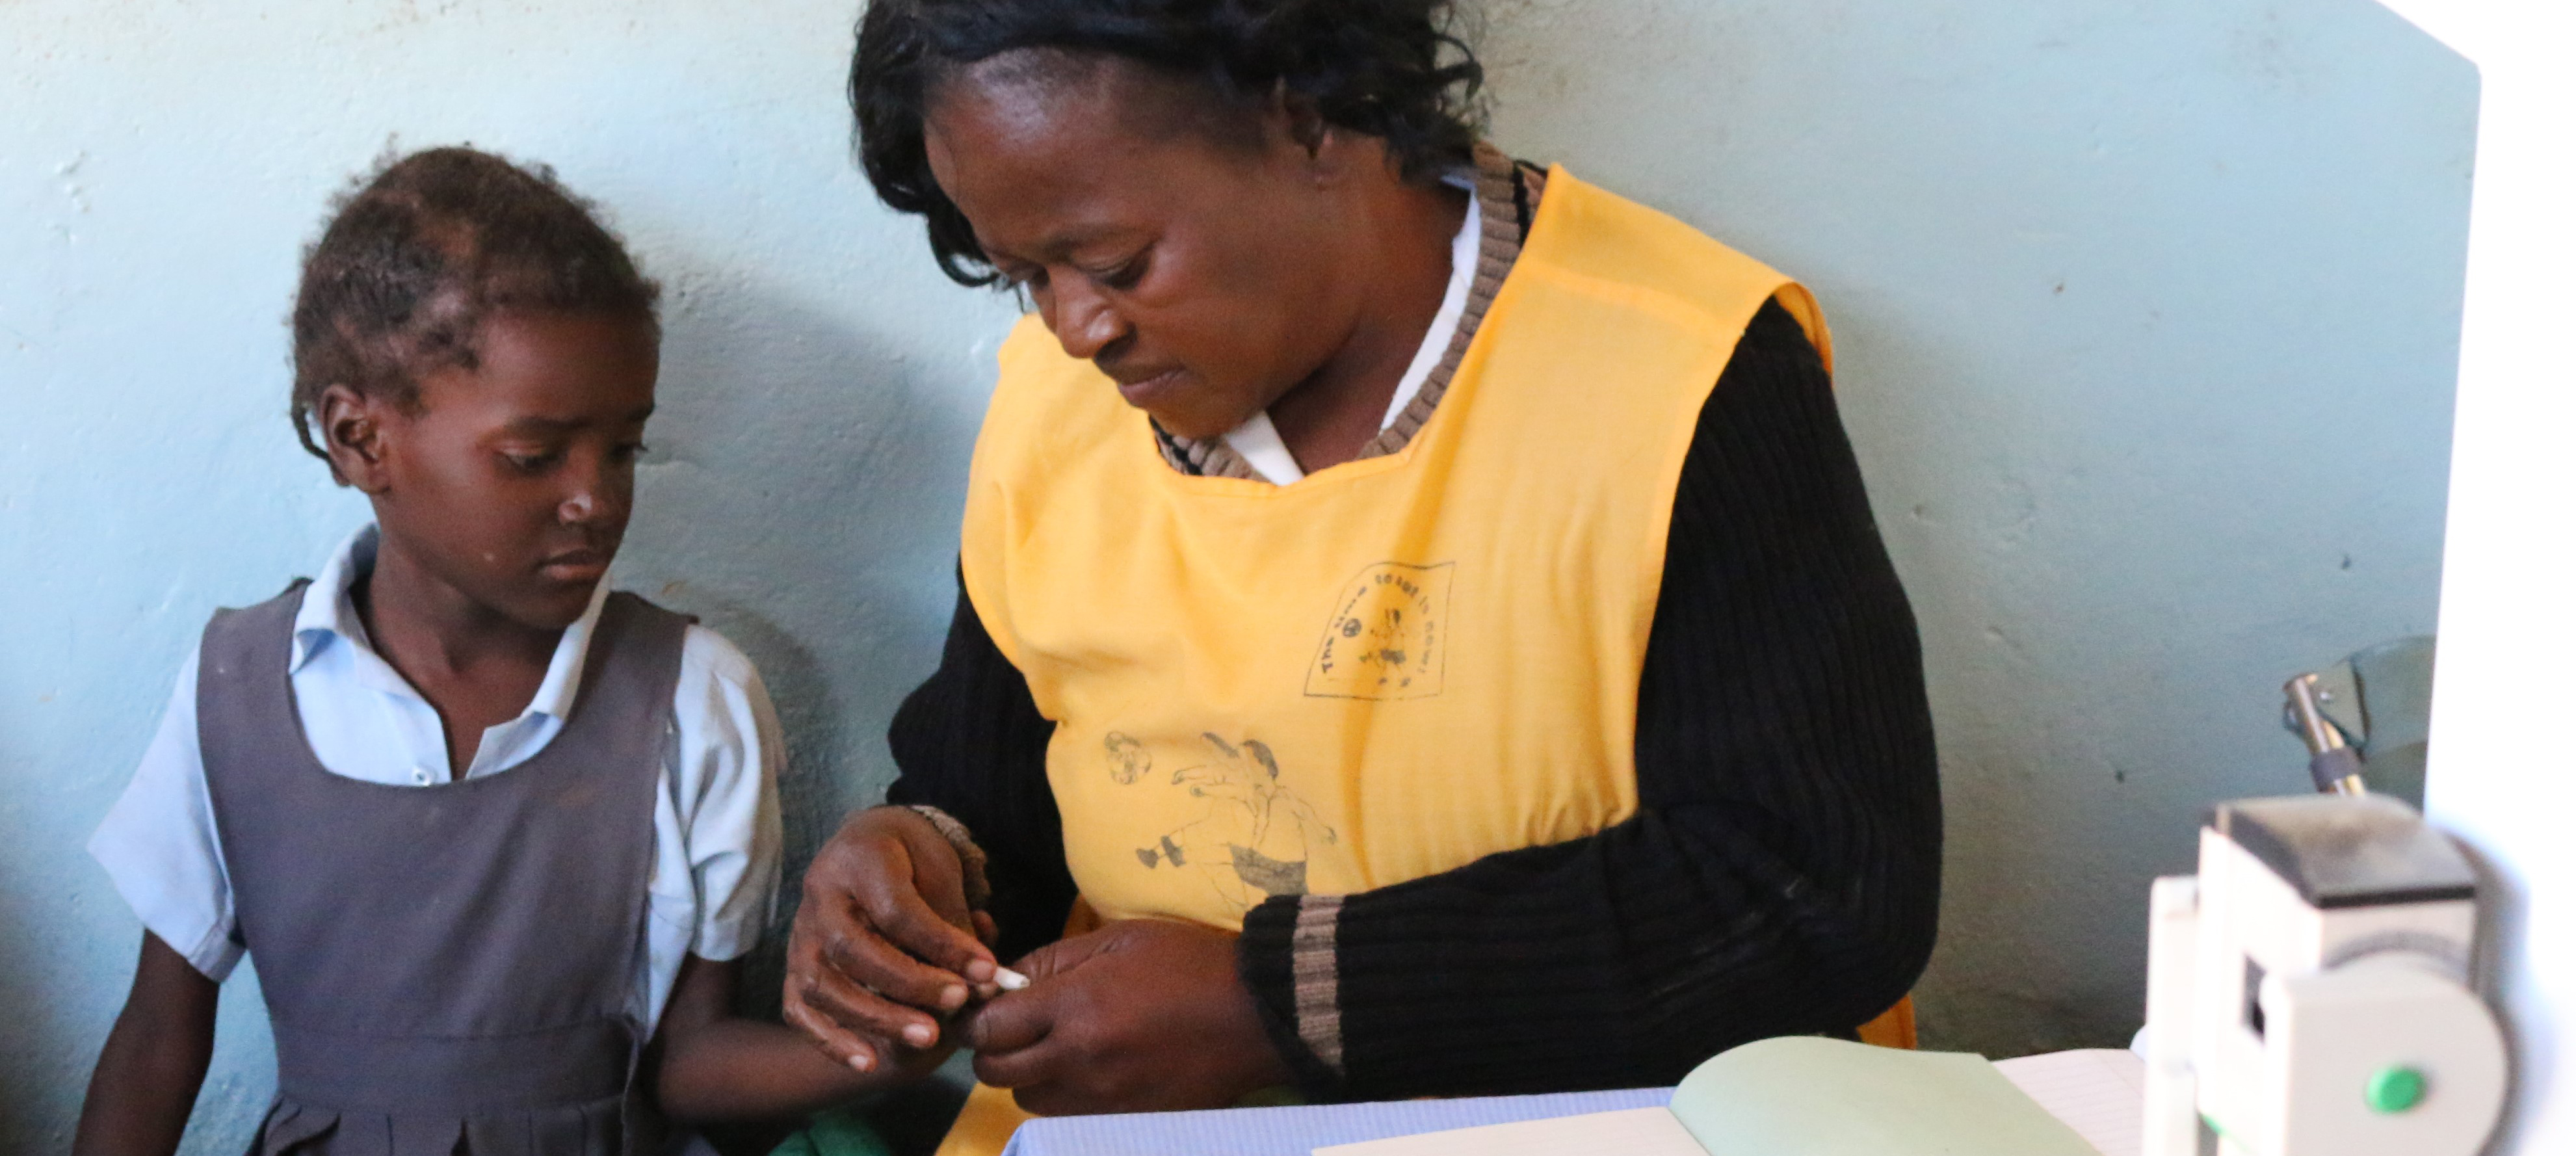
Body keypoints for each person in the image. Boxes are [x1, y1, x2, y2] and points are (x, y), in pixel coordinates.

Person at [787, 1, 1945, 1151]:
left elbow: (1812, 894)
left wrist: (1274, 1001)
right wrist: (925, 861)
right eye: (1019, 276)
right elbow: (1002, 790)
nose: (1076, 328)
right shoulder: (1059, 399)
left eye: (1113, 263)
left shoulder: (1675, 374)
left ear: (1310, 116)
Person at [75, 148, 895, 1156]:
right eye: (533, 456)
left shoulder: (693, 696)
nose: (597, 499)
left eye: (623, 447)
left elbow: (691, 1060)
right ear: (358, 438)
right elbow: (160, 1036)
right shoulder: (238, 689)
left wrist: (888, 1047)